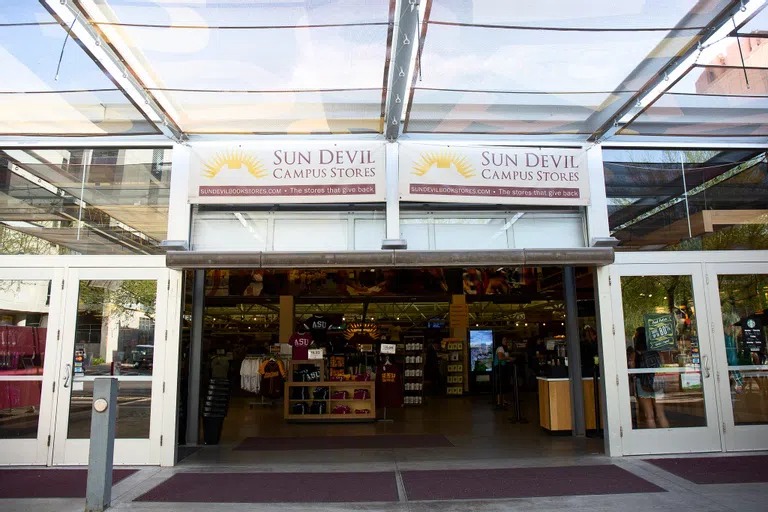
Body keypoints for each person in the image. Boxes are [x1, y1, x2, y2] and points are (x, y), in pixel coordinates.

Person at [633, 327, 670, 429]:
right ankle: (669, 438)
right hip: (657, 382)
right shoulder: (657, 350)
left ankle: (654, 440)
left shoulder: (637, 352)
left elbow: (632, 368)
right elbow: (663, 364)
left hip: (643, 382)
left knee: (649, 417)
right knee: (661, 415)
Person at [494, 337, 515, 407]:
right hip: (500, 367)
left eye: (506, 340)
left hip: (503, 367)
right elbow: (500, 358)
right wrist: (509, 358)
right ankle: (499, 401)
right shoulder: (500, 348)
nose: (506, 341)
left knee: (503, 383)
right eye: (504, 340)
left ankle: (502, 400)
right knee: (501, 383)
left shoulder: (503, 348)